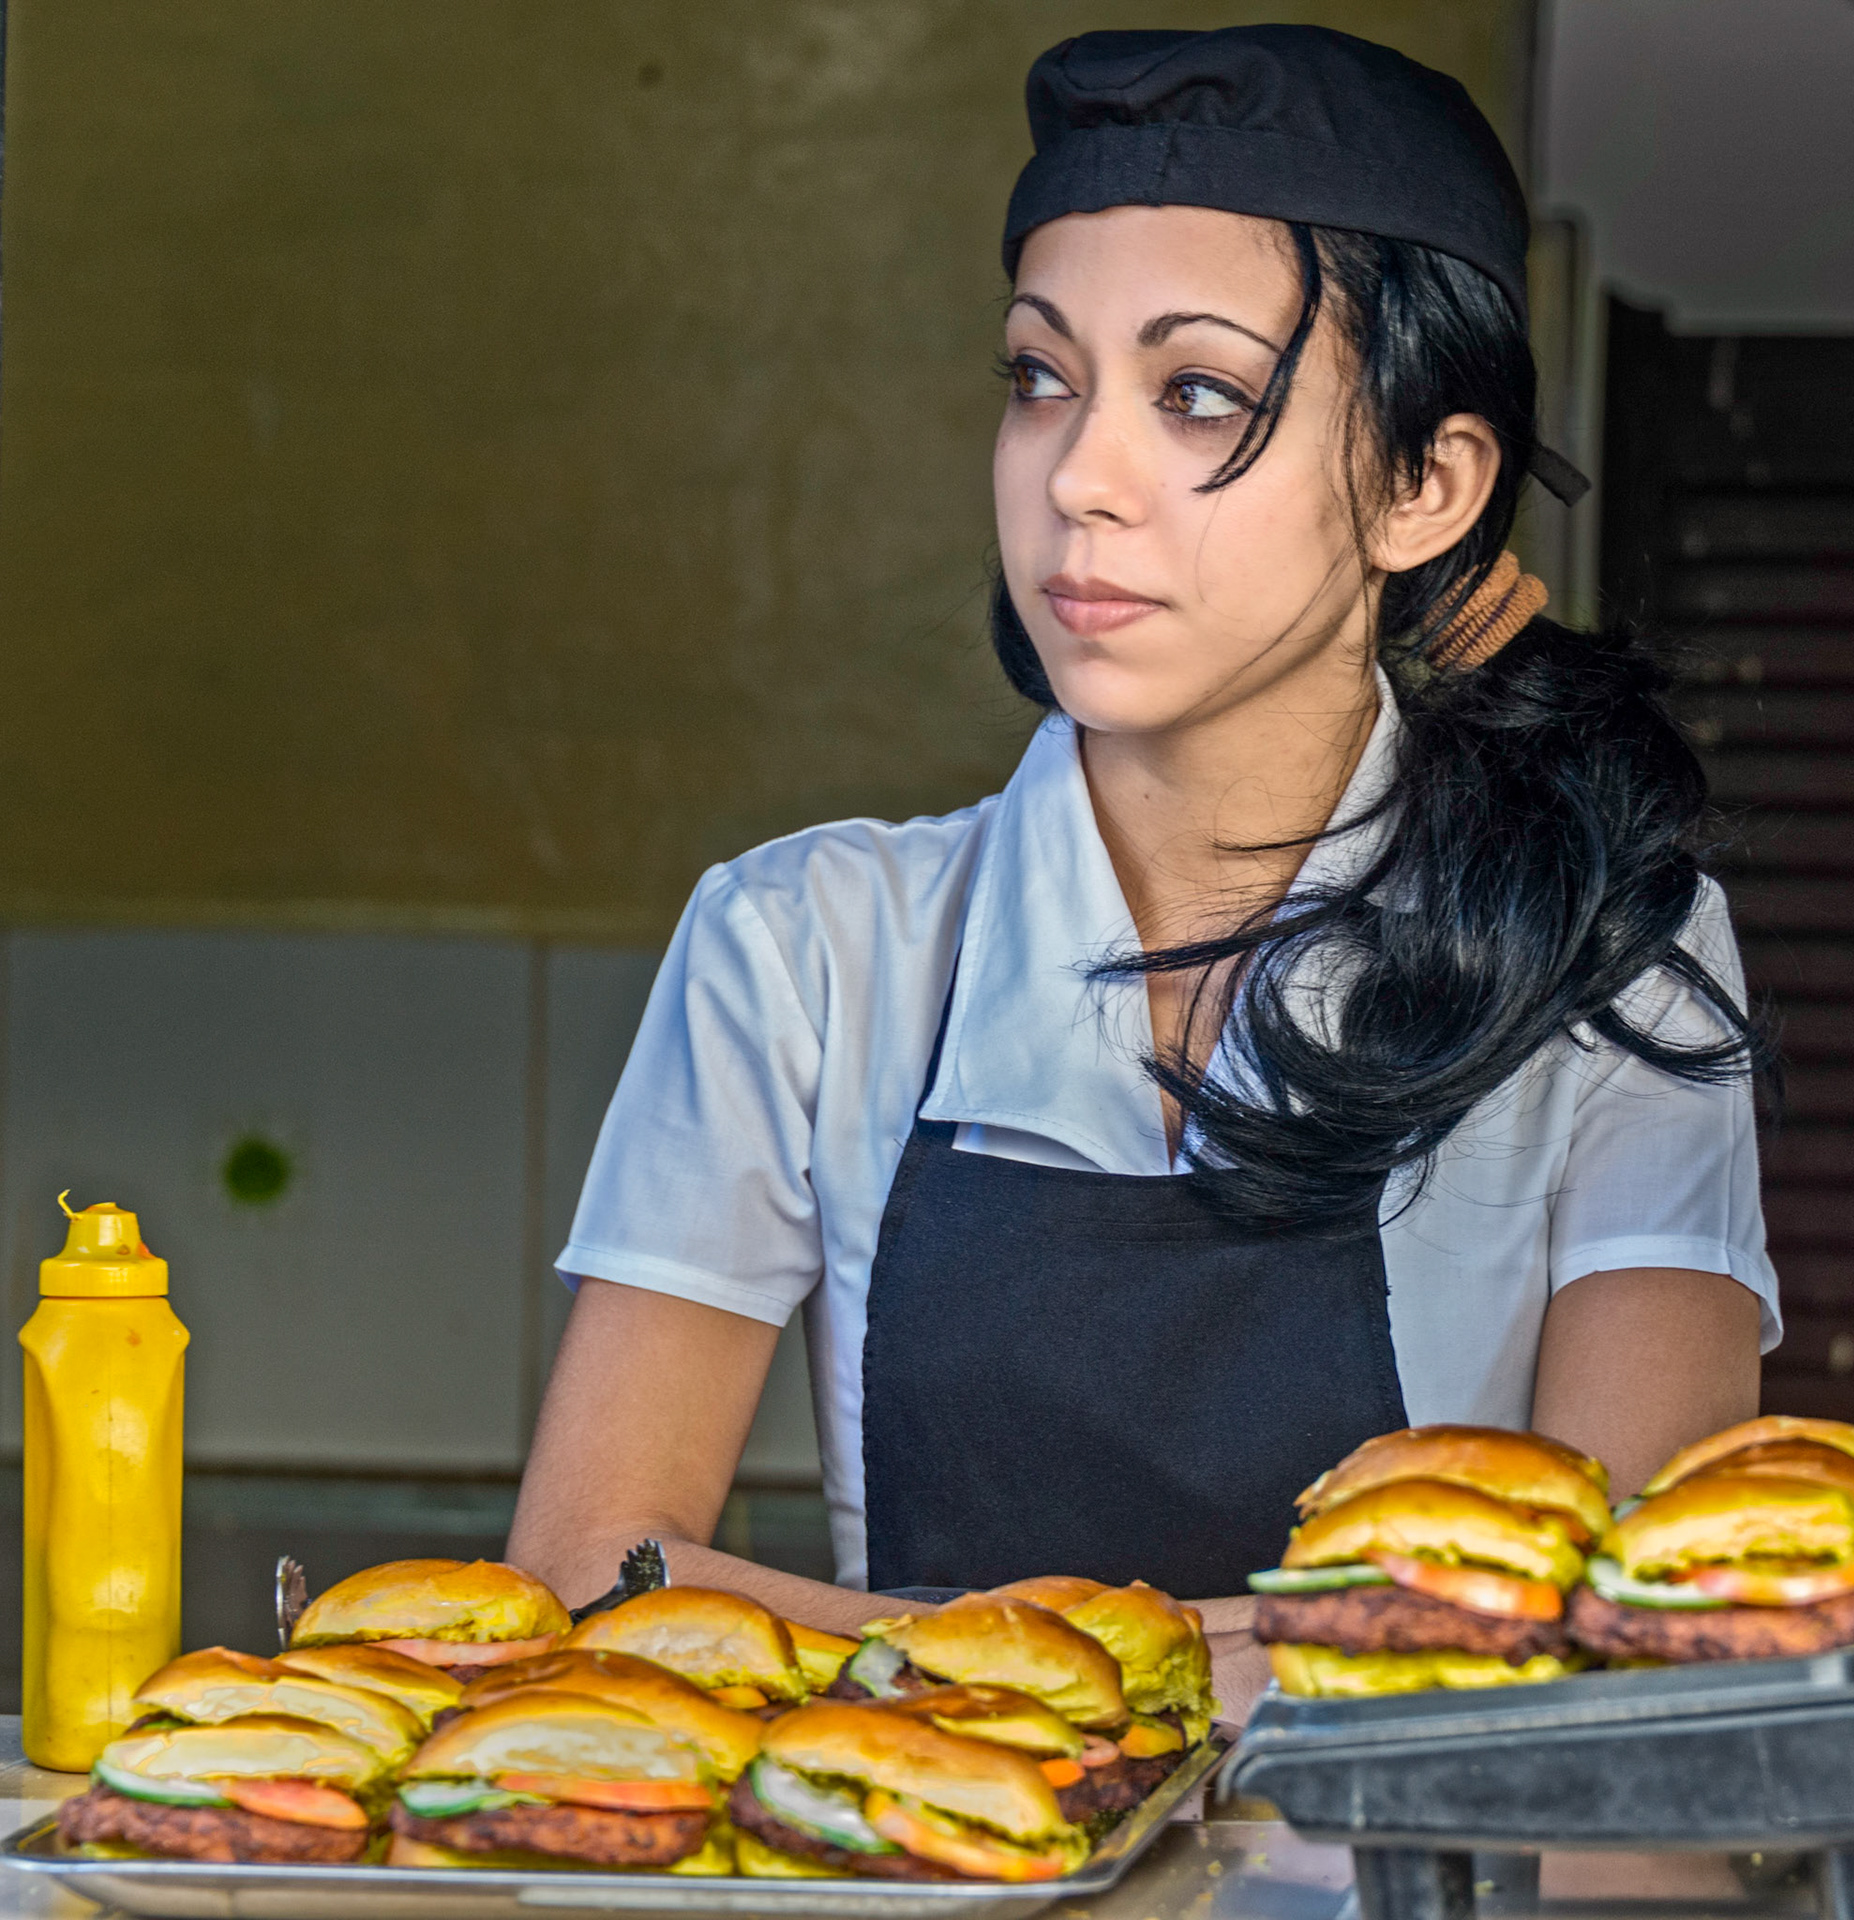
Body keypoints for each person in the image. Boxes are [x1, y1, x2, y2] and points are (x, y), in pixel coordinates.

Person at [506, 25, 1774, 1722]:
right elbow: (589, 1569)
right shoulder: (806, 946)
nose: (1078, 481)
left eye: (1199, 394)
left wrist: (946, 1653)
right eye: (1041, 377)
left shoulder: (1608, 958)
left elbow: (1628, 1635)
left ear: (1425, 484)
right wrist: (1297, 1649)